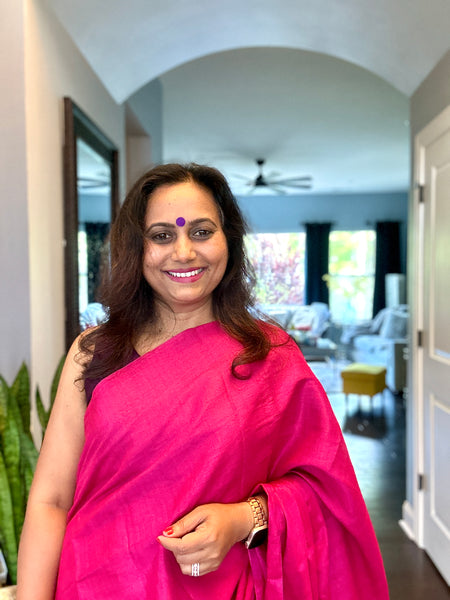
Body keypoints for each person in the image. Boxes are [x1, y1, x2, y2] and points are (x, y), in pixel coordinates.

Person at [17, 163, 389, 599]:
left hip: (219, 588)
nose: (184, 252)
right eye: (162, 235)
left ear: (228, 239)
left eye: (200, 232)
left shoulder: (270, 356)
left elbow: (326, 491)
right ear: (136, 248)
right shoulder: (94, 352)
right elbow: (51, 501)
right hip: (93, 583)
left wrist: (243, 519)